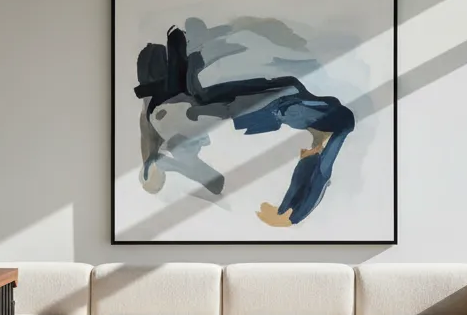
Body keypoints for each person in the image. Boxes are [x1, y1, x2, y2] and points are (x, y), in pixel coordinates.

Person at [134, 17, 354, 226]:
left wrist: (290, 214)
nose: (302, 153)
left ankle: (186, 61)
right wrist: (291, 214)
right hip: (250, 103)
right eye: (307, 154)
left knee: (194, 98)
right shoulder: (321, 120)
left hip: (244, 104)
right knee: (194, 97)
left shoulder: (313, 117)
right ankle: (186, 60)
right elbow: (320, 173)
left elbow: (318, 174)